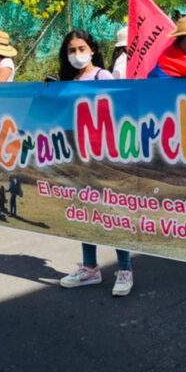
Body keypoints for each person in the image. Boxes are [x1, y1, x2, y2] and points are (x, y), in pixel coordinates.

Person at [59, 29, 133, 297]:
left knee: (112, 213)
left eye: (81, 48)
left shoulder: (103, 76)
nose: (76, 55)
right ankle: (89, 268)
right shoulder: (66, 81)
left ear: (92, 49)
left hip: (104, 155)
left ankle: (124, 270)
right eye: (71, 50)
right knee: (84, 212)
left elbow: (119, 108)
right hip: (77, 155)